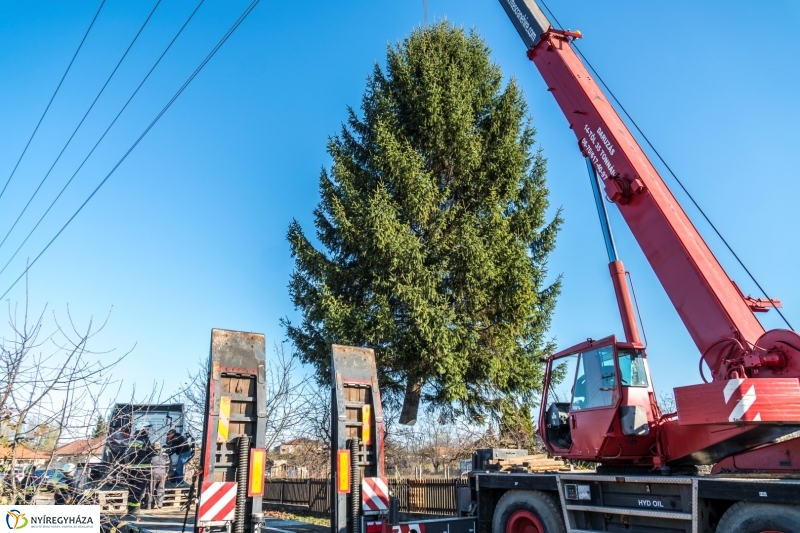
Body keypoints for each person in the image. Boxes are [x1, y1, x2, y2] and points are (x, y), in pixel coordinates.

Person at [149, 442, 169, 508]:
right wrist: (166, 473)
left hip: (154, 471)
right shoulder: (165, 453)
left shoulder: (151, 453)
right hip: (163, 472)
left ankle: (150, 503)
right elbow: (168, 464)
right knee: (161, 488)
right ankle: (159, 503)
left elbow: (149, 463)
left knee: (151, 488)